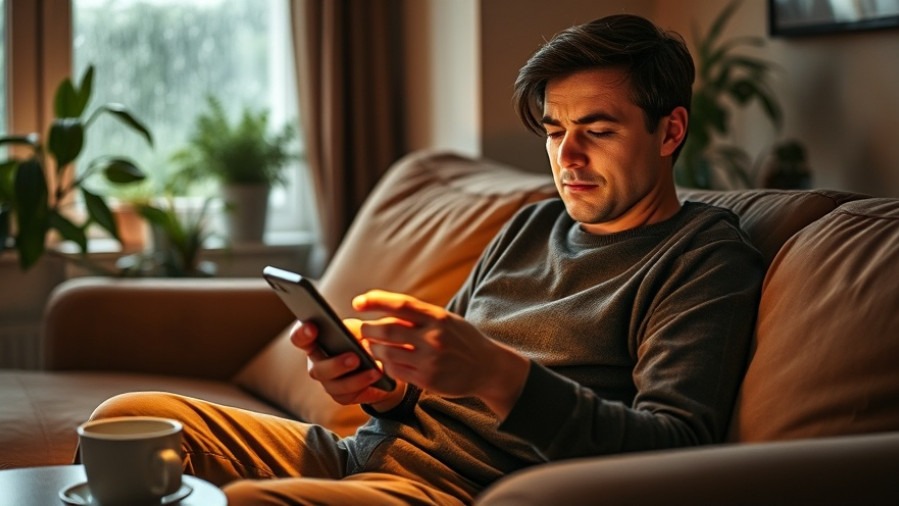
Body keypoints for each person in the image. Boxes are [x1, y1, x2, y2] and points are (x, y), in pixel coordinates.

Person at [88, 13, 764, 505]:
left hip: (466, 492)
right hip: (362, 453)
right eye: (556, 131)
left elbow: (674, 452)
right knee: (125, 421)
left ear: (669, 130)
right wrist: (380, 383)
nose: (567, 157)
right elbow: (429, 386)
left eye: (597, 130)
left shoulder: (702, 258)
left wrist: (501, 376)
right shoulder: (531, 223)